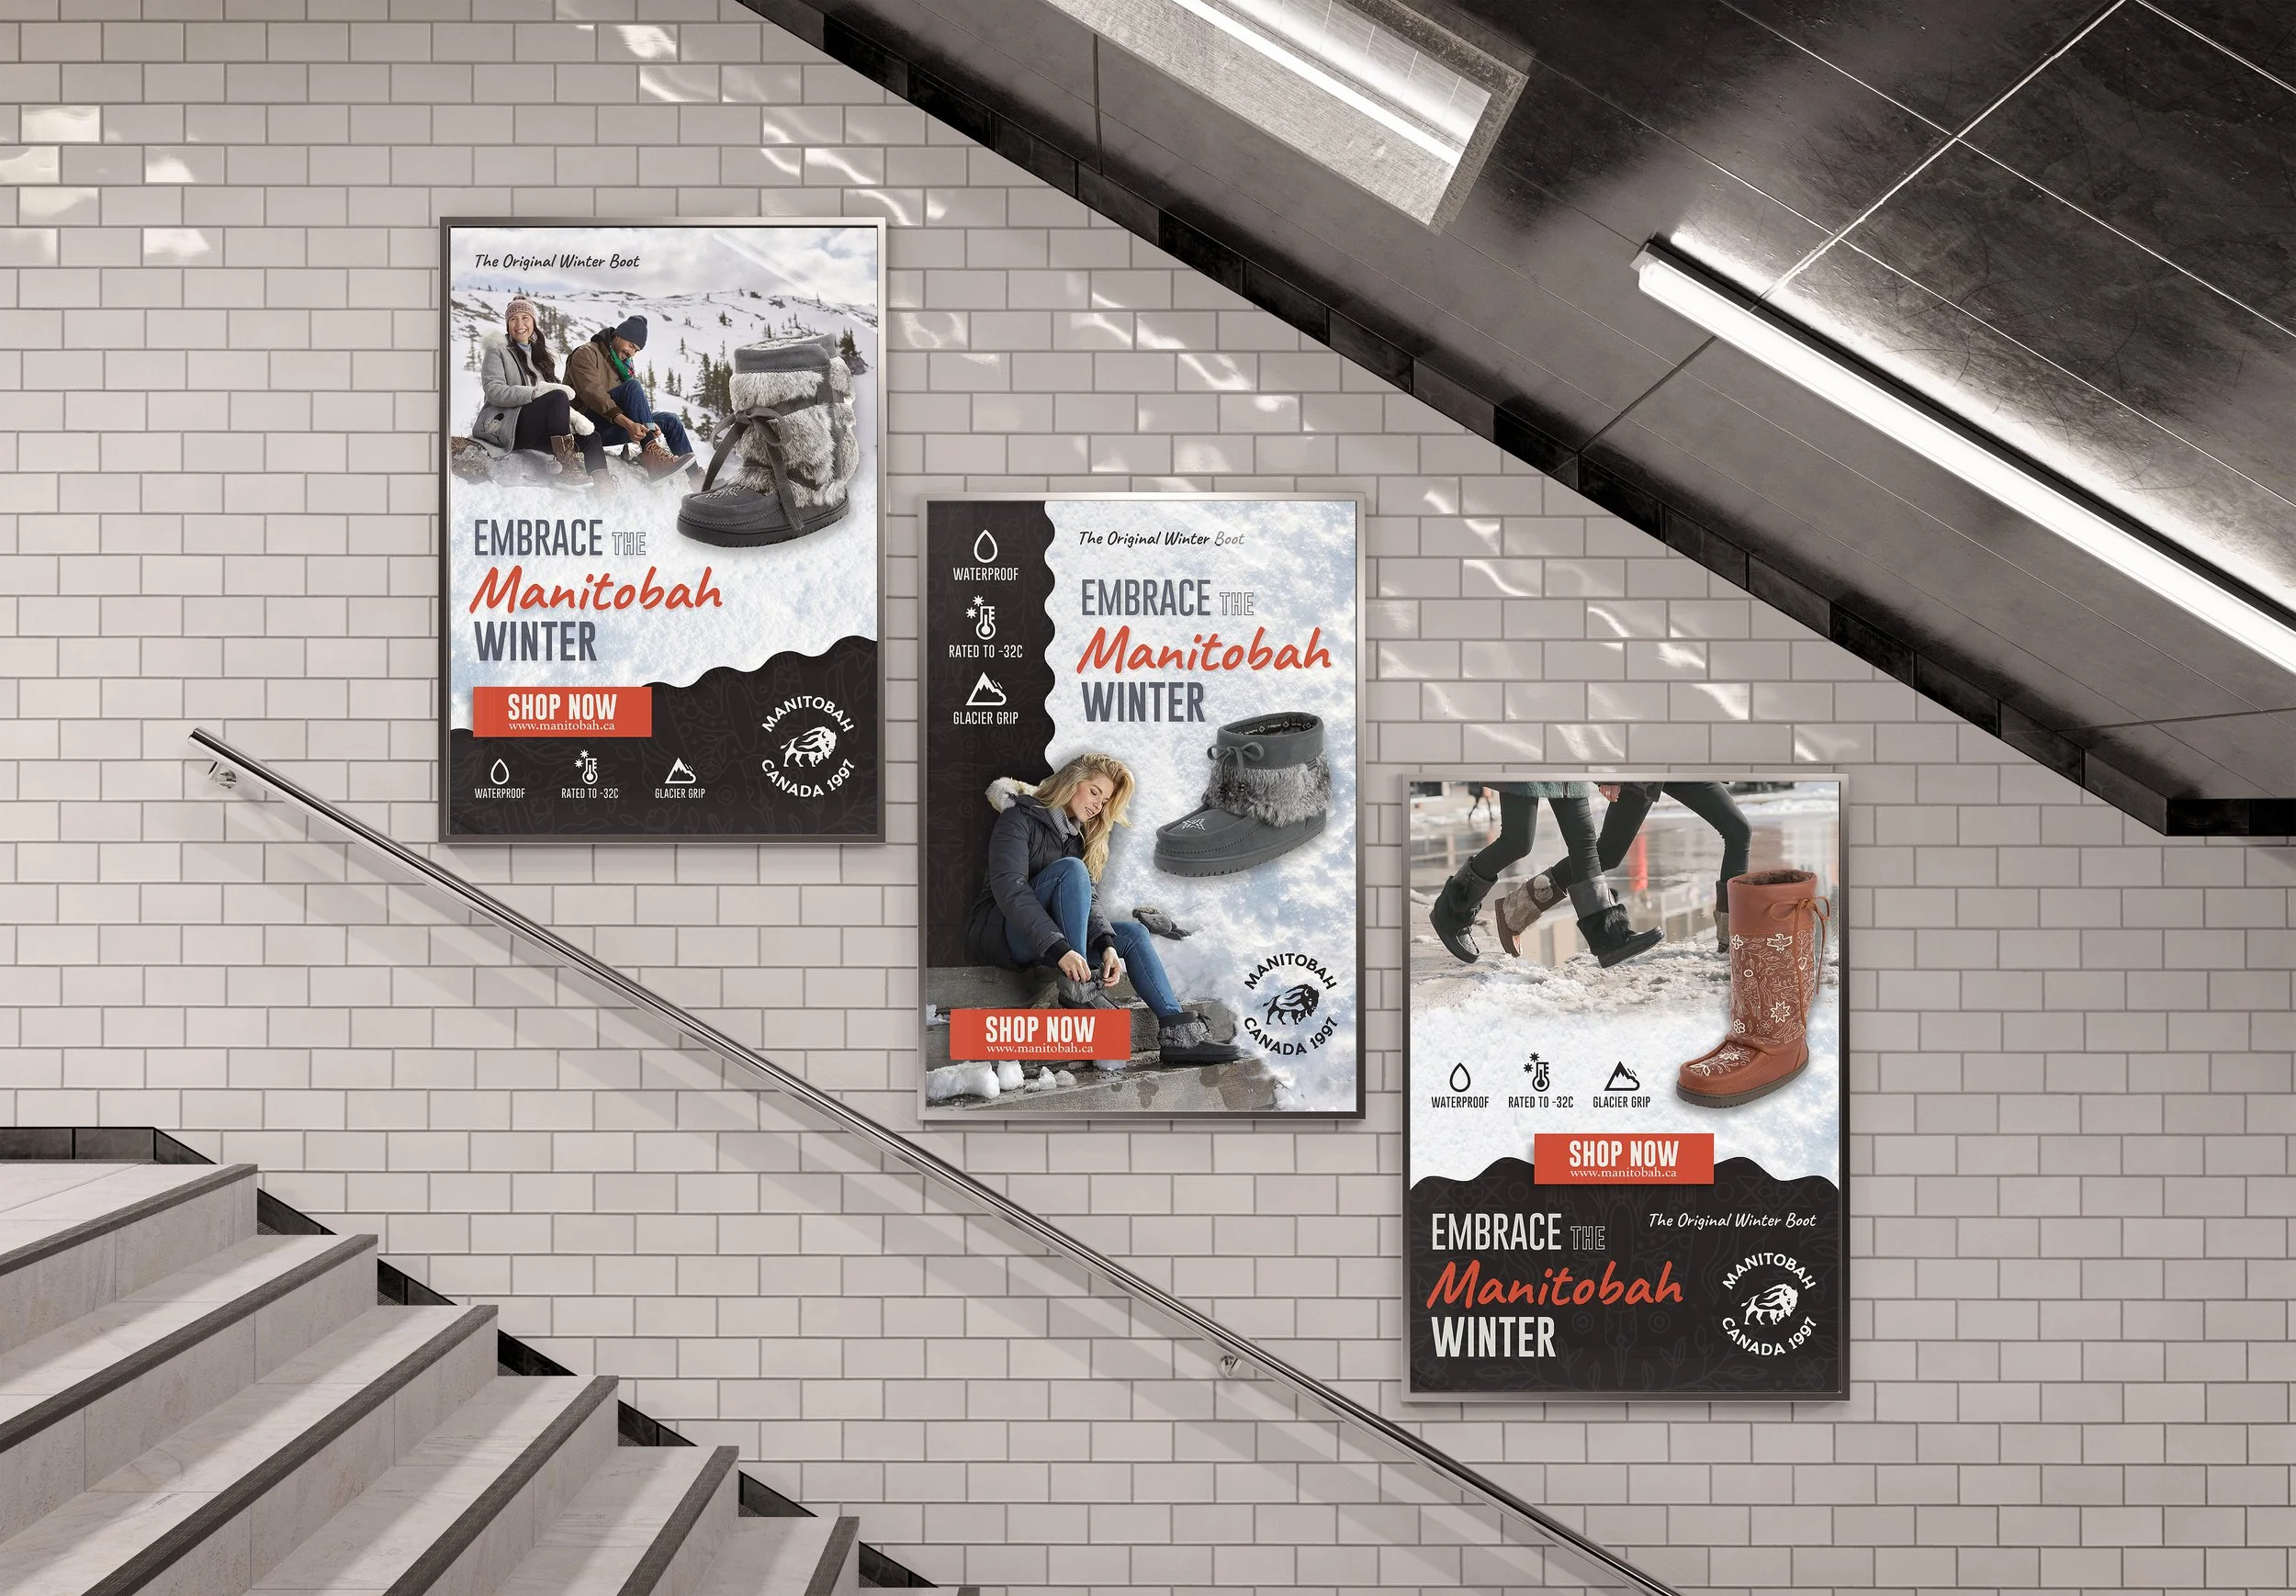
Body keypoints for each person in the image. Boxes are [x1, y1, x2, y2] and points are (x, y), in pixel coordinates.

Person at [966, 752, 1249, 1068]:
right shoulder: (1019, 818)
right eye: (1093, 792)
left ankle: (1178, 1032)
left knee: (1133, 933)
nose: (1096, 805)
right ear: (1072, 783)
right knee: (1071, 870)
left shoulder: (1077, 837)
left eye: (1104, 801)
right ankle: (1078, 989)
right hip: (1004, 933)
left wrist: (1106, 944)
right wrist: (1062, 949)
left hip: (1052, 941)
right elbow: (1010, 888)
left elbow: (1090, 902)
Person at [1491, 781, 1750, 954]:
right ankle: (1516, 909)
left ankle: (1732, 940)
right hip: (1645, 761)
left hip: (1684, 756)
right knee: (1606, 854)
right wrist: (1610, 771)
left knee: (1738, 830)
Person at [1428, 781, 1660, 968]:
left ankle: (1611, 939)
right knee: (1516, 842)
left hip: (1566, 759)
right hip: (1526, 750)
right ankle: (1450, 912)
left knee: (1584, 843)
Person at [468, 296, 604, 485]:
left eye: (525, 318)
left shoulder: (542, 356)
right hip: (510, 426)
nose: (519, 324)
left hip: (540, 430)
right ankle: (566, 466)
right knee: (557, 395)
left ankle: (604, 488)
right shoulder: (498, 351)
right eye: (513, 319)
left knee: (591, 438)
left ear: (533, 322)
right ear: (507, 325)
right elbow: (494, 391)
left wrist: (572, 420)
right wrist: (534, 393)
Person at [565, 315, 695, 479]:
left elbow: (628, 404)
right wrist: (629, 423)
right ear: (618, 336)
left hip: (608, 424)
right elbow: (593, 394)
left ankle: (698, 480)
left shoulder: (621, 367)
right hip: (584, 426)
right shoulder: (586, 353)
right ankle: (653, 459)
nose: (631, 353)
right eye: (631, 346)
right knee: (633, 386)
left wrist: (648, 425)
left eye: (636, 350)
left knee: (670, 420)